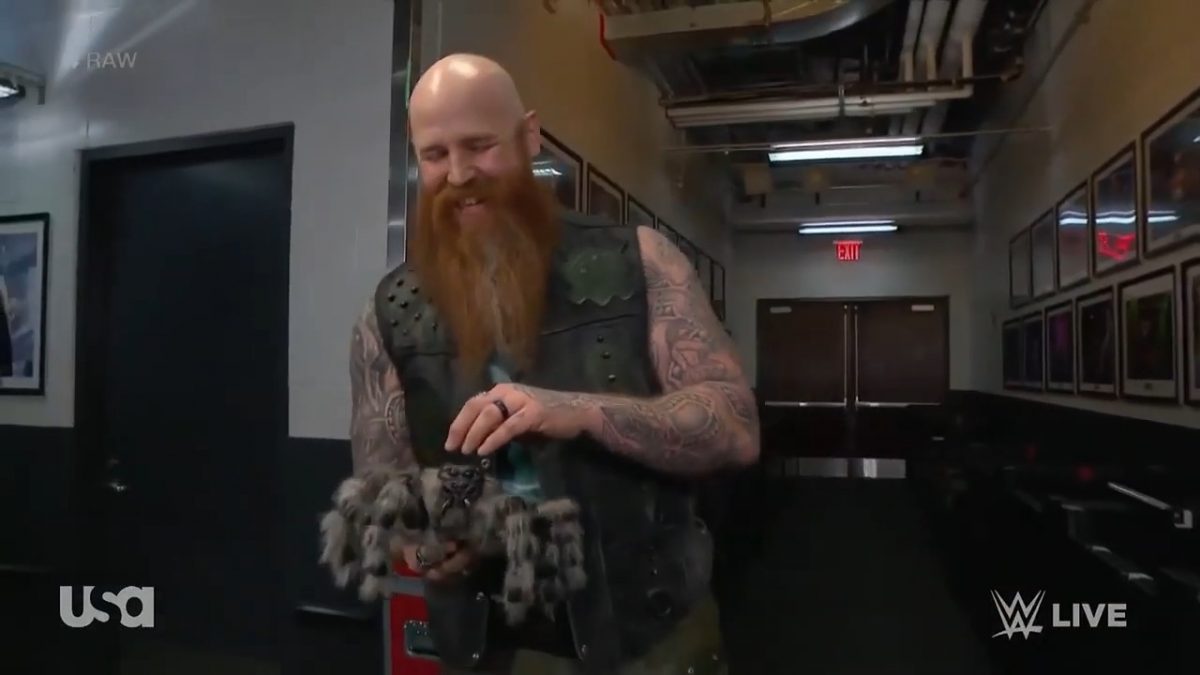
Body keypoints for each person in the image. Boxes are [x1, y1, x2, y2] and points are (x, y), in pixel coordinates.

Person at [348, 52, 760, 674]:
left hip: (650, 641)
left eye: (480, 146)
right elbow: (385, 490)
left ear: (530, 135)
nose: (458, 174)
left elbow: (735, 426)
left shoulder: (640, 263)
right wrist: (423, 542)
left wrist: (580, 412)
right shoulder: (389, 313)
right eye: (434, 155)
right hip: (491, 649)